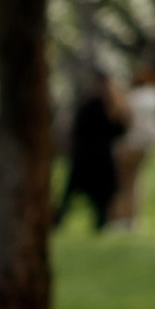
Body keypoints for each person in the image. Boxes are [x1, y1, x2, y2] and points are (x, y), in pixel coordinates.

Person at [59, 72, 125, 232]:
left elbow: (77, 129)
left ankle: (57, 220)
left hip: (84, 155)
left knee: (72, 194)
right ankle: (100, 223)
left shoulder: (88, 104)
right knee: (101, 194)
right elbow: (117, 131)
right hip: (100, 157)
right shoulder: (106, 106)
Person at [110, 57, 155, 230]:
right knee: (136, 182)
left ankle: (122, 219)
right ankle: (133, 219)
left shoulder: (134, 98)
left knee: (125, 182)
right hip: (147, 145)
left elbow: (123, 115)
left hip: (131, 143)